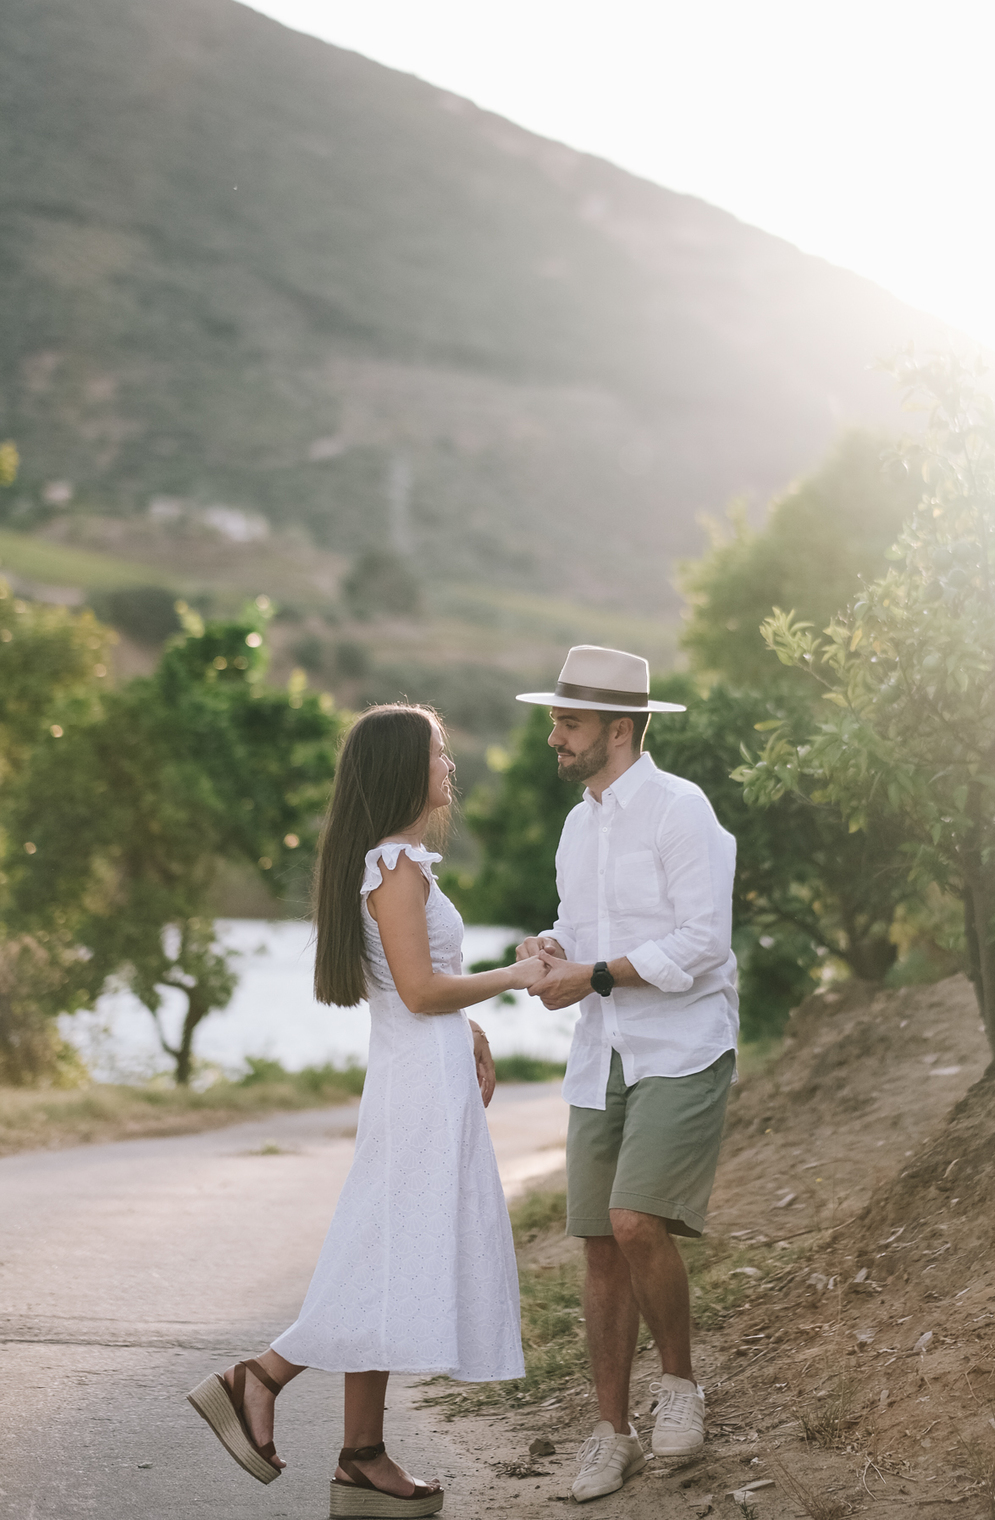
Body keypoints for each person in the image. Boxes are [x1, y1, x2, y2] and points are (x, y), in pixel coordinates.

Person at [187, 704, 544, 1518]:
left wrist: (474, 1024)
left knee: (385, 1253)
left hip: (422, 1074)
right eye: (439, 753)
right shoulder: (397, 867)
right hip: (419, 1089)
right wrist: (513, 978)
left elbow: (411, 981)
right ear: (401, 771)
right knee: (382, 1251)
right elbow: (420, 992)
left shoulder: (396, 863)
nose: (450, 765)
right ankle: (259, 1378)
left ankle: (362, 1453)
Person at [515, 647, 738, 1504]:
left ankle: (680, 1387)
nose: (552, 736)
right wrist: (551, 951)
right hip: (601, 1049)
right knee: (600, 1246)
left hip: (682, 1044)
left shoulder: (683, 812)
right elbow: (581, 926)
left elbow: (702, 944)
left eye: (567, 723)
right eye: (556, 720)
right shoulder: (580, 825)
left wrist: (596, 975)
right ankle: (611, 1433)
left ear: (618, 730)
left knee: (637, 1221)